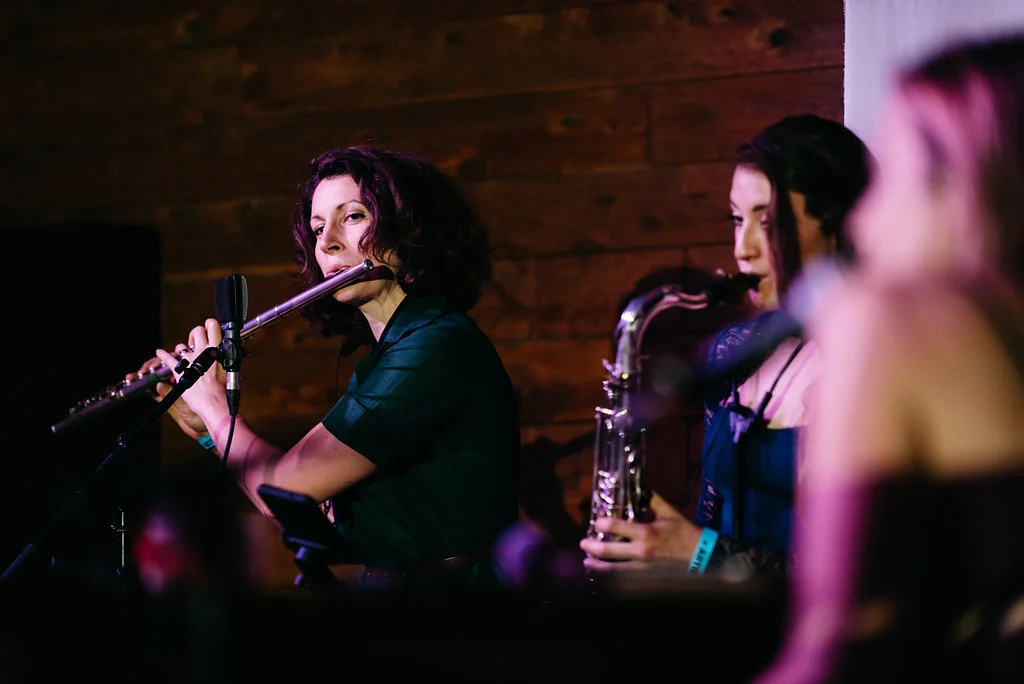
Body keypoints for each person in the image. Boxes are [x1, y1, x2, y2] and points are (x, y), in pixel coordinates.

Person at [755, 34, 1024, 682]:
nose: (864, 224)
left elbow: (844, 644)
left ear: (963, 187)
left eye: (890, 182)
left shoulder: (893, 319)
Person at [141, 146, 521, 591]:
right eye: (318, 227)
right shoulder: (390, 355)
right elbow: (300, 511)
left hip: (455, 612)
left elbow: (285, 488)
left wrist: (214, 408)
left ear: (410, 228)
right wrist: (207, 431)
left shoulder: (432, 348)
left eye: (353, 216)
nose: (327, 243)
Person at [579, 114, 872, 579]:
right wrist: (657, 549)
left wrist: (698, 554)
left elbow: (861, 575)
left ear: (840, 226)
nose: (742, 249)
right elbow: (712, 519)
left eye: (768, 222)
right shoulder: (733, 350)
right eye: (737, 219)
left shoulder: (878, 364)